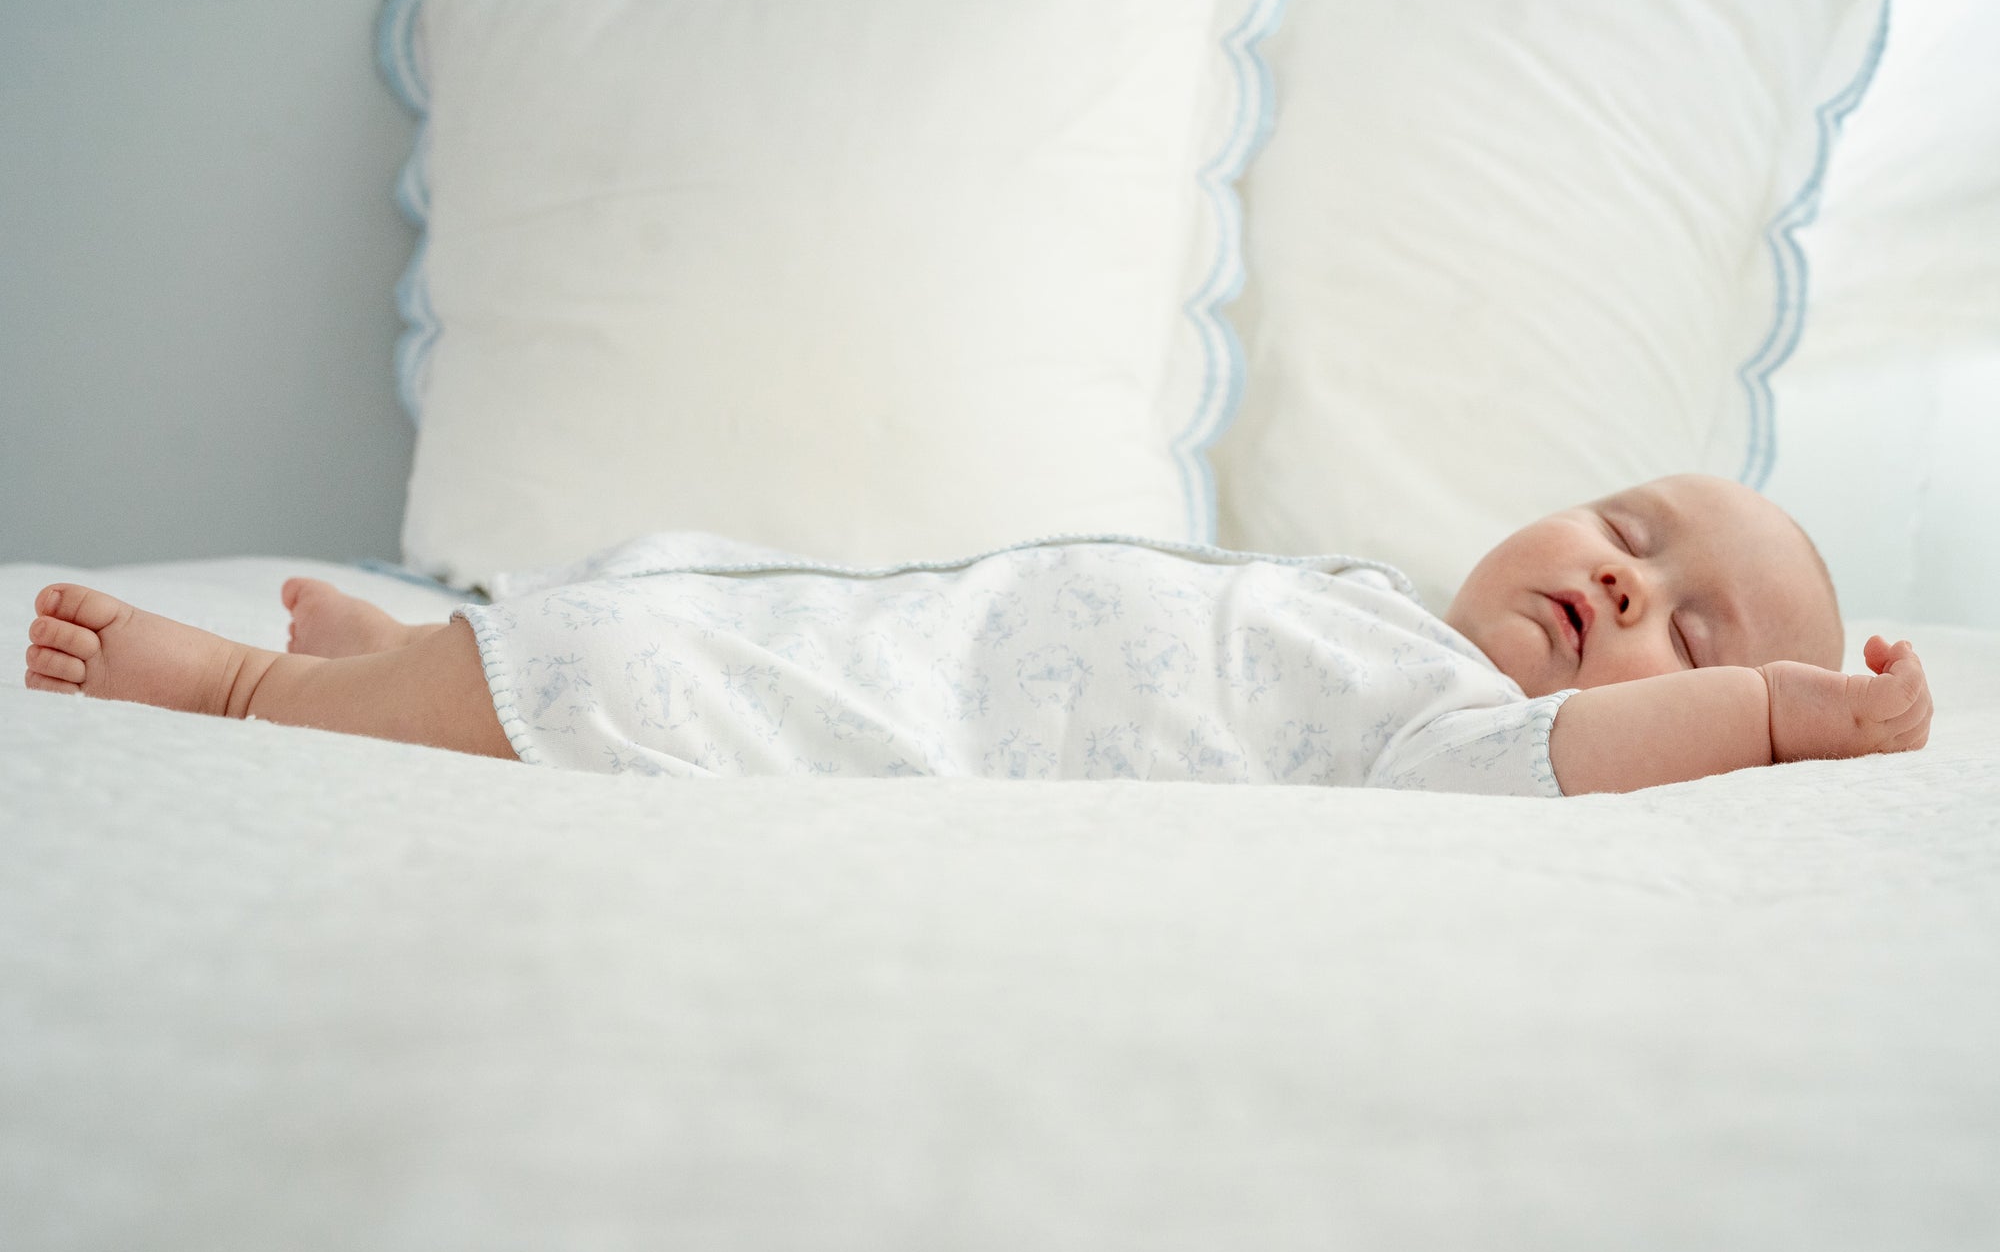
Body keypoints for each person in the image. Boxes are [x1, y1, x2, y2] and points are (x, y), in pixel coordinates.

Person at [19, 474, 1931, 795]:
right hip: (901, 621)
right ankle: (413, 644)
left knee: (635, 694)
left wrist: (1781, 717)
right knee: (687, 592)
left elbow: (1585, 754)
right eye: (1629, 527)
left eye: (1688, 626)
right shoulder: (1366, 600)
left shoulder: (1451, 734)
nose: (1621, 582)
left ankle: (261, 690)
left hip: (881, 705)